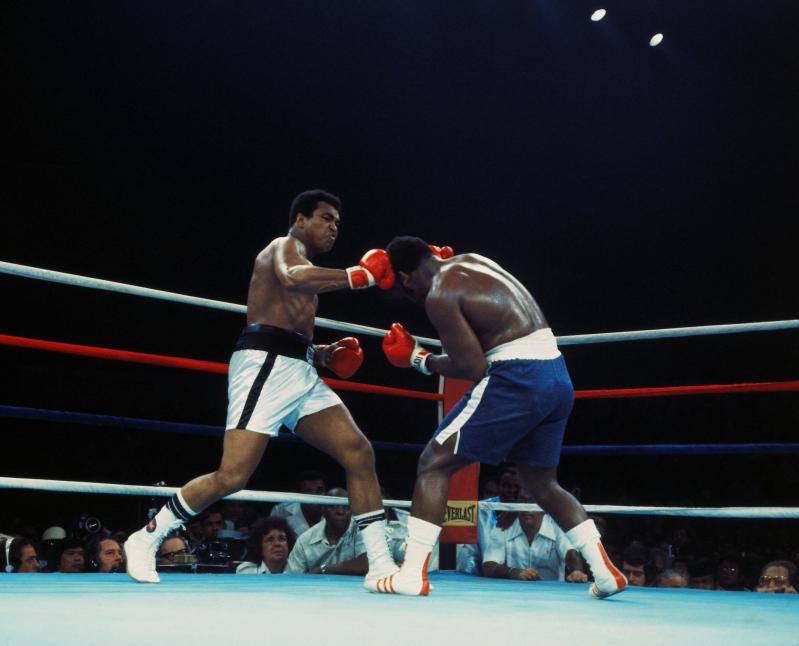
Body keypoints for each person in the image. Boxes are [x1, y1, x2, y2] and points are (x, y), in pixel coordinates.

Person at [126, 189, 399, 590]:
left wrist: (322, 354)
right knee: (232, 475)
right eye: (326, 218)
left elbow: (289, 324)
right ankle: (147, 535)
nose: (333, 227)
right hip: (264, 367)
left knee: (359, 452)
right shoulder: (282, 248)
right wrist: (360, 276)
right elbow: (292, 279)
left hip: (299, 370)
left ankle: (380, 563)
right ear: (300, 219)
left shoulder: (307, 266)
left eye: (337, 222)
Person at [368, 236, 627, 598]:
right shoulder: (473, 259)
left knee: (433, 463)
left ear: (406, 277)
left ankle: (411, 574)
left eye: (401, 285)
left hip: (517, 375)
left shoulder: (439, 295)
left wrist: (418, 359)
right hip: (556, 375)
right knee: (541, 483)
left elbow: (471, 366)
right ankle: (605, 573)